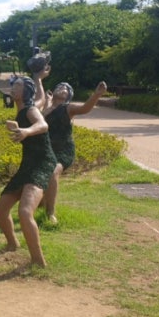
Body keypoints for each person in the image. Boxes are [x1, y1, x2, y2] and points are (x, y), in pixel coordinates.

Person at [0, 76, 57, 267]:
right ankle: (13, 244)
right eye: (13, 85)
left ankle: (38, 262)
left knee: (24, 211)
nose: (14, 88)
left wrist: (26, 132)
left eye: (18, 85)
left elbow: (43, 125)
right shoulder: (21, 111)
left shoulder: (30, 110)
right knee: (0, 209)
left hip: (42, 163)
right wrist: (18, 128)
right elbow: (41, 100)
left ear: (26, 91)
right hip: (27, 165)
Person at [41, 80, 108, 223]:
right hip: (47, 149)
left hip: (63, 151)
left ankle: (50, 213)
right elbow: (41, 119)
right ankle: (41, 203)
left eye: (65, 88)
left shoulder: (68, 108)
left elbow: (85, 108)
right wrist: (47, 101)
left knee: (53, 171)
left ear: (69, 95)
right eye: (59, 86)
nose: (61, 88)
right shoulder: (47, 108)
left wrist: (96, 95)